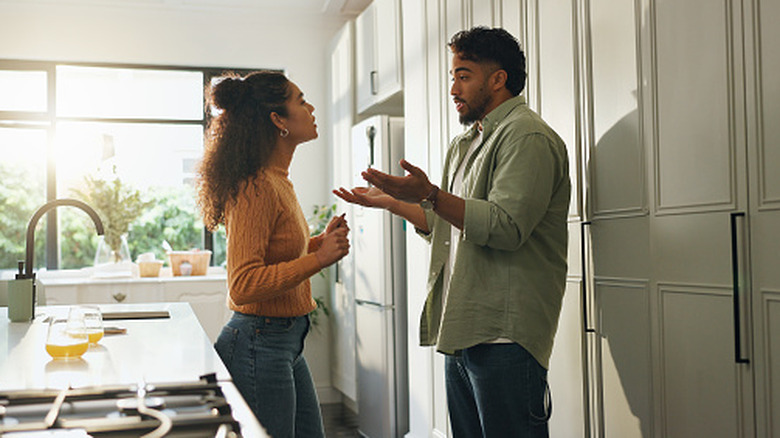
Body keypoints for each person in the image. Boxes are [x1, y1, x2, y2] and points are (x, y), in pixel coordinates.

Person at [335, 26, 570, 437]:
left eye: (464, 75)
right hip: (463, 327)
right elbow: (449, 227)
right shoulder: (466, 144)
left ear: (498, 80)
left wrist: (429, 193)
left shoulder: (527, 136)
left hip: (505, 336)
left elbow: (506, 227)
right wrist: (394, 202)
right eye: (452, 76)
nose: (453, 88)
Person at [196, 70, 350, 438]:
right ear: (278, 120)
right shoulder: (257, 186)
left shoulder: (276, 179)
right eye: (301, 100)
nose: (311, 107)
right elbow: (244, 284)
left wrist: (315, 245)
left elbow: (274, 255)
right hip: (258, 343)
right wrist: (318, 259)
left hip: (281, 341)